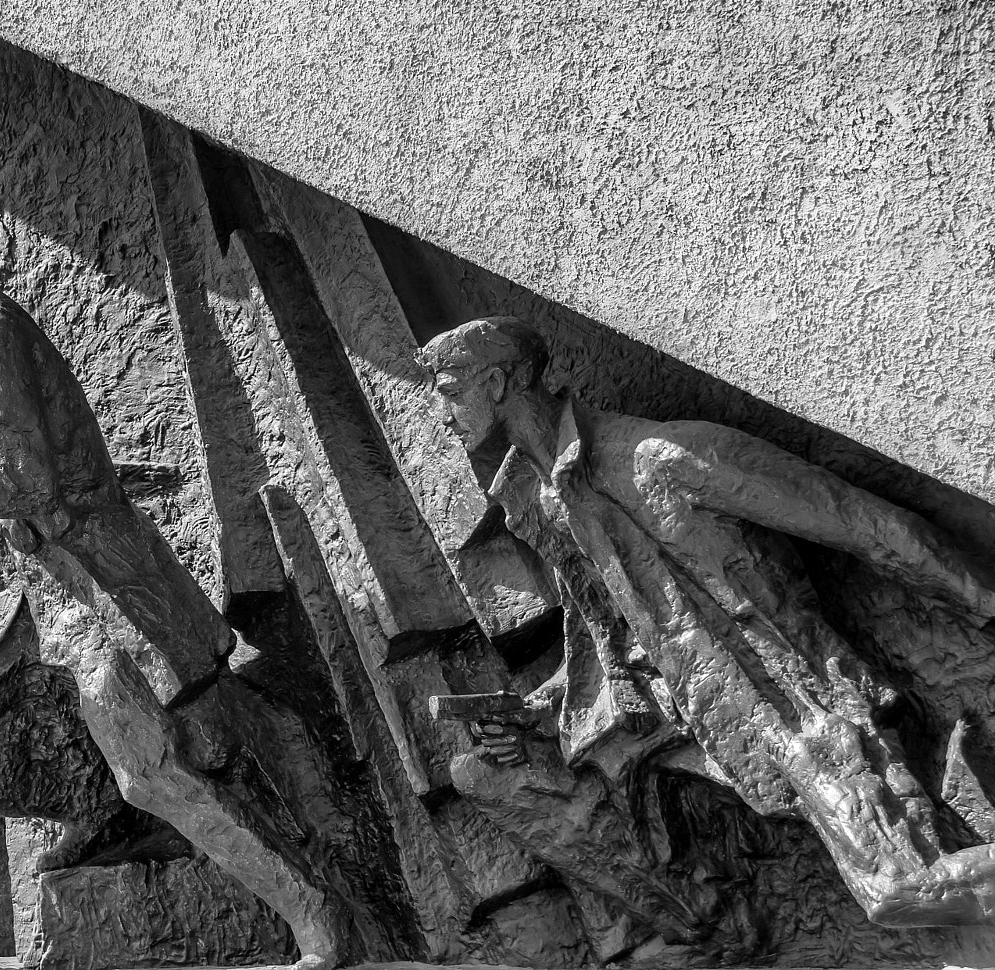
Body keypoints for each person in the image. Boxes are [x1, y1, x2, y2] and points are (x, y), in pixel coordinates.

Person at [0, 158, 420, 968]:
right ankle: (101, 804)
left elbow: (23, 477)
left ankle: (308, 907)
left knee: (150, 766)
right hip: (16, 597)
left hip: (93, 577)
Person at [420, 316, 995, 927]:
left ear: (501, 380)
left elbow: (859, 521)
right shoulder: (543, 502)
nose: (444, 414)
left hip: (812, 710)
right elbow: (611, 638)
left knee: (899, 893)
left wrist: (980, 597)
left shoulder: (659, 457)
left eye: (453, 391)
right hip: (733, 731)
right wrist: (536, 710)